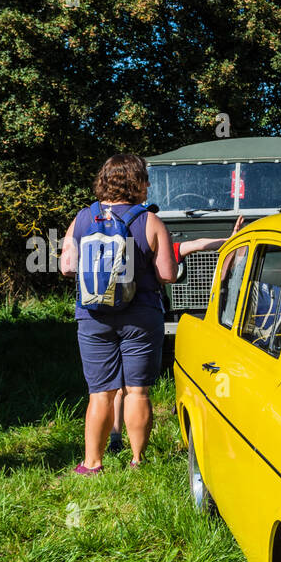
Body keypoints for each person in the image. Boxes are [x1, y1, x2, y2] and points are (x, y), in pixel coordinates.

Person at [59, 154, 177, 473]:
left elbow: (67, 267)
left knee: (100, 392)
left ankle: (92, 463)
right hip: (141, 315)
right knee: (137, 390)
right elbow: (167, 274)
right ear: (137, 182)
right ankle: (137, 461)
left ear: (104, 180)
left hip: (93, 315)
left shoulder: (83, 218)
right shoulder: (150, 221)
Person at [105, 216, 244, 454]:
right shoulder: (165, 251)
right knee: (136, 389)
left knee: (116, 387)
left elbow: (199, 243)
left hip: (110, 317)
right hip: (143, 321)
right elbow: (199, 244)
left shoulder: (115, 250)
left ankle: (114, 439)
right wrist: (231, 240)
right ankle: (136, 453)